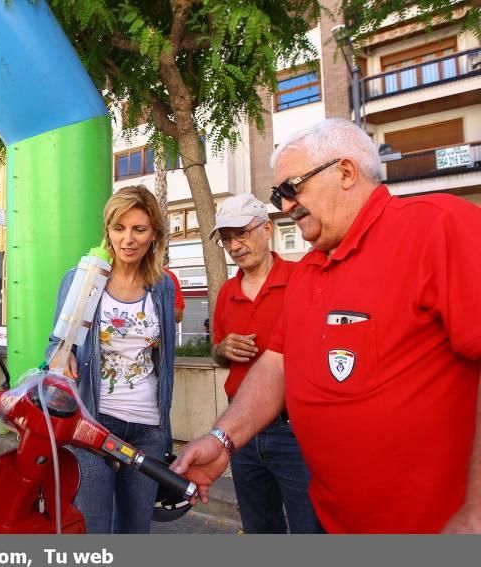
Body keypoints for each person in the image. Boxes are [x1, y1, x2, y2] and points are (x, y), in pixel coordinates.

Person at [172, 118, 481, 534]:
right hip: (333, 523)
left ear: (346, 172)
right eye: (277, 195)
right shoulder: (309, 272)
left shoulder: (440, 227)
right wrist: (223, 438)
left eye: (290, 189)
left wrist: (475, 516)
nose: (284, 206)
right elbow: (276, 366)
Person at [47, 185, 176, 533]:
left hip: (147, 430)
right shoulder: (82, 280)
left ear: (154, 235)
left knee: (135, 533)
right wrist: (61, 356)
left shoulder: (162, 287)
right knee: (94, 530)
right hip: (93, 424)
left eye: (139, 229)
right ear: (108, 231)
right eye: (119, 228)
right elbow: (57, 346)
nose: (128, 239)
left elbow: (165, 363)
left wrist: (164, 430)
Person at [209, 194, 318, 533]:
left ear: (268, 228)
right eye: (227, 238)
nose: (234, 245)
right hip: (242, 432)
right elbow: (216, 354)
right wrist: (222, 348)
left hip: (296, 430)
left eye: (241, 233)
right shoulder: (227, 292)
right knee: (259, 529)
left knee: (311, 528)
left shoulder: (304, 278)